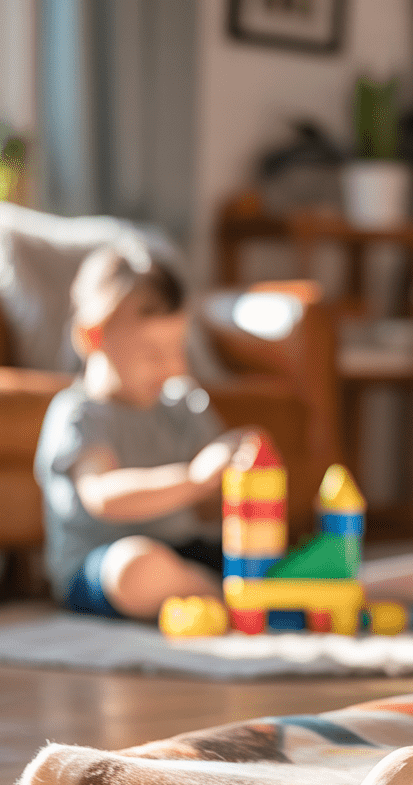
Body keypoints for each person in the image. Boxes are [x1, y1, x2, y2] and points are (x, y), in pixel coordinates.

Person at [34, 242, 253, 621]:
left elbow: (219, 466)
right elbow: (102, 495)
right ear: (93, 338)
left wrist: (240, 456)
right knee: (137, 569)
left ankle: (238, 589)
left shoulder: (181, 403)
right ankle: (237, 598)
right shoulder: (80, 415)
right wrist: (192, 478)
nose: (171, 367)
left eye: (177, 349)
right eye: (153, 353)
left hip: (182, 550)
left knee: (254, 551)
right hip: (100, 564)